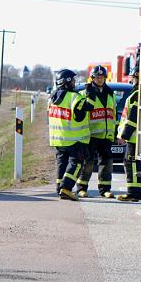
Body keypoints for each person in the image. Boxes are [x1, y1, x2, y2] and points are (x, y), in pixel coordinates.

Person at [48, 68, 95, 201]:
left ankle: (59, 188)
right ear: (67, 81)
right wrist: (91, 93)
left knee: (62, 163)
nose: (75, 82)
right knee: (77, 163)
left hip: (58, 139)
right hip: (74, 139)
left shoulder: (52, 98)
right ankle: (66, 188)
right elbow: (88, 106)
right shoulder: (73, 97)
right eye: (73, 80)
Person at [74, 65, 117, 199]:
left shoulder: (110, 93)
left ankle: (105, 189)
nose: (100, 79)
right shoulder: (85, 93)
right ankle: (81, 188)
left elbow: (113, 114)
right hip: (90, 134)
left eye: (102, 77)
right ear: (92, 78)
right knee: (89, 162)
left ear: (105, 78)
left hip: (106, 134)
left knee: (107, 161)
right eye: (97, 77)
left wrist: (114, 132)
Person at [117, 67, 141, 202]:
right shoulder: (140, 93)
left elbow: (133, 118)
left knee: (130, 164)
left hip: (133, 137)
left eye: (133, 77)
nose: (131, 80)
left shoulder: (137, 94)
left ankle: (133, 193)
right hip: (139, 137)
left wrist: (124, 135)